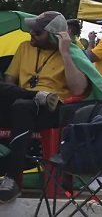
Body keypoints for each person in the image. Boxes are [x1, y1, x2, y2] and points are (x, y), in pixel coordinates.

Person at [0, 11, 90, 202]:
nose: (31, 33)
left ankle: (12, 179)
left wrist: (65, 53)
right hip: (22, 103)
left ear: (52, 36)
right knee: (20, 103)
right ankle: (37, 96)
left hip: (53, 109)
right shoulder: (25, 47)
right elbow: (8, 83)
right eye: (32, 30)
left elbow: (78, 89)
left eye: (38, 32)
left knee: (22, 106)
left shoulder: (70, 53)